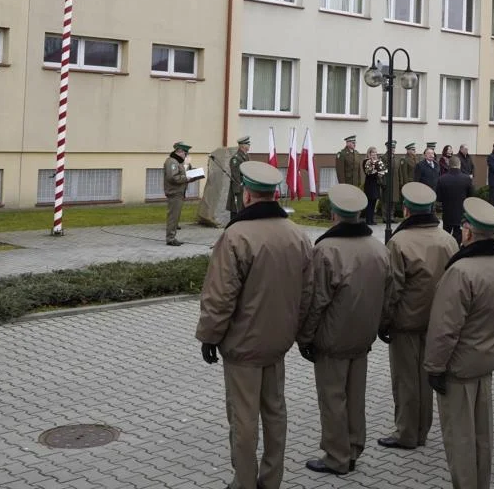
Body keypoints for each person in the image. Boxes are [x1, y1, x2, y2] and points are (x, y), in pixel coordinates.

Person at [196, 161, 314, 489]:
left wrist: (209, 336)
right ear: (274, 194)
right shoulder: (298, 234)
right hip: (279, 342)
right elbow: (308, 293)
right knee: (275, 411)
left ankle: (245, 482)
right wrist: (299, 332)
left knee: (243, 418)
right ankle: (271, 479)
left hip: (243, 345)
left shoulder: (236, 236)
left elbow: (220, 296)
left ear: (247, 195)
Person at [425, 197, 494, 489]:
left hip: (459, 364)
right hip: (485, 359)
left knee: (460, 436)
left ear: (467, 232)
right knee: (481, 432)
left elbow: (445, 328)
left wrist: (434, 367)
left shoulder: (461, 271)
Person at [298, 184, 389, 475]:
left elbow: (316, 300)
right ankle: (352, 448)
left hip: (332, 337)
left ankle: (336, 457)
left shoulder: (326, 250)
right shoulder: (378, 247)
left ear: (334, 214)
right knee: (355, 395)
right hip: (363, 336)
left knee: (333, 397)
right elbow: (390, 292)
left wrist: (305, 337)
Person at [378, 183, 460, 451]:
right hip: (438, 321)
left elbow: (393, 288)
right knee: (427, 378)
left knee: (406, 380)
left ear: (406, 210)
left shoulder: (399, 242)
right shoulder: (448, 239)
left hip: (406, 322)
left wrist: (384, 321)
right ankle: (422, 430)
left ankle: (407, 432)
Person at [164, 141, 203, 246]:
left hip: (179, 192)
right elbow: (173, 177)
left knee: (175, 216)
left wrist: (193, 175)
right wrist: (186, 177)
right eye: (185, 153)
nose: (186, 155)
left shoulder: (179, 162)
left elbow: (183, 175)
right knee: (173, 216)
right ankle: (170, 238)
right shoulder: (172, 162)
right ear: (179, 151)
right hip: (174, 192)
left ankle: (172, 237)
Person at [436, 157, 475, 243]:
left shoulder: (442, 179)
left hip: (447, 213)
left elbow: (439, 198)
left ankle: (446, 251)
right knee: (458, 236)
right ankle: (456, 251)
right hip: (461, 213)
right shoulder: (467, 179)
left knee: (445, 236)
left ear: (449, 165)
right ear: (459, 165)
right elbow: (471, 197)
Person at [361, 147, 387, 226]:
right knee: (369, 202)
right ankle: (368, 220)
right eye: (373, 152)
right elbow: (368, 173)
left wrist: (381, 172)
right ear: (369, 153)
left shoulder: (377, 161)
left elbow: (379, 170)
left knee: (374, 202)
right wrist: (376, 172)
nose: (375, 154)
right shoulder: (366, 161)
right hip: (369, 184)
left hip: (375, 184)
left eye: (375, 152)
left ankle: (372, 219)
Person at [227, 136, 251, 215]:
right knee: (237, 210)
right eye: (247, 144)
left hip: (245, 187)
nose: (249, 146)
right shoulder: (236, 158)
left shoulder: (246, 156)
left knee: (244, 210)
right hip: (239, 188)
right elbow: (235, 175)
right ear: (242, 146)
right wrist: (237, 191)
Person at [393, 143, 420, 211]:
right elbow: (404, 173)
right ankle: (406, 214)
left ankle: (413, 212)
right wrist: (405, 184)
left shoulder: (415, 159)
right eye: (412, 150)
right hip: (408, 182)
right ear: (408, 151)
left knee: (414, 199)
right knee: (407, 200)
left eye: (414, 149)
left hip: (415, 182)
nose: (414, 151)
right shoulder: (404, 159)